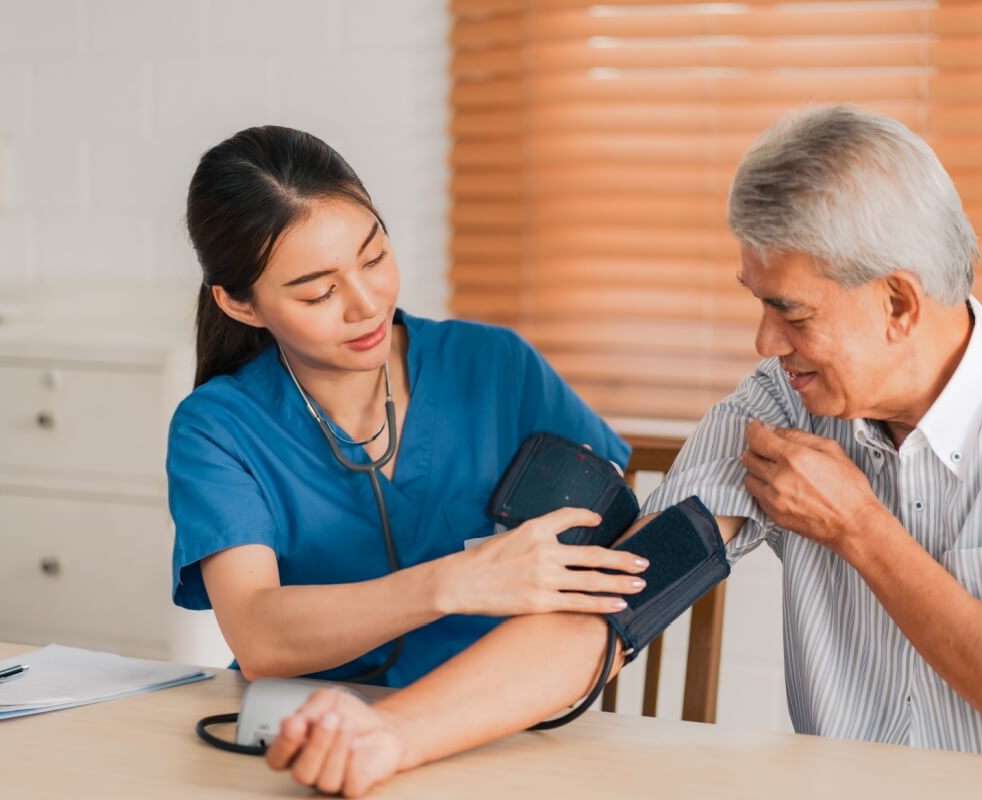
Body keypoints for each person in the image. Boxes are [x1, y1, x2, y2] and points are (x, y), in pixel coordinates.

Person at [262, 106, 982, 795]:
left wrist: (862, 528)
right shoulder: (780, 411)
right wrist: (392, 734)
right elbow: (612, 607)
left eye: (793, 312)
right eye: (757, 303)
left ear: (898, 302)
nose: (763, 340)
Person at [166, 126, 650, 689]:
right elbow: (259, 637)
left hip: (494, 717)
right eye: (318, 293)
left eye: (374, 258)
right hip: (309, 728)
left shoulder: (495, 366)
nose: (367, 305)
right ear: (241, 305)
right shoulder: (219, 429)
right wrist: (456, 582)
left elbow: (611, 536)